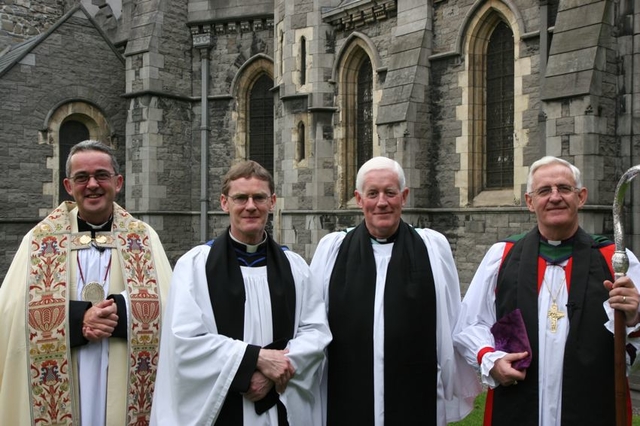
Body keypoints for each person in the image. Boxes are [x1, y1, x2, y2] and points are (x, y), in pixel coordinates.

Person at [453, 155, 640, 426]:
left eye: (564, 188)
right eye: (544, 190)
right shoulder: (502, 257)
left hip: (592, 405)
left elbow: (631, 343)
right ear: (530, 202)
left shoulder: (616, 261)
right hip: (517, 406)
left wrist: (634, 317)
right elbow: (470, 324)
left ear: (581, 197)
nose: (555, 197)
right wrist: (490, 360)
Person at [0, 140, 172, 426]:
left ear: (118, 182)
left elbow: (170, 306)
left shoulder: (143, 238)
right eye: (82, 177)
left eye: (101, 175)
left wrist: (120, 312)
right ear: (69, 186)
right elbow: (9, 312)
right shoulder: (39, 240)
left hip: (128, 376)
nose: (92, 184)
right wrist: (78, 319)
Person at [151, 160, 332, 426]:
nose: (250, 206)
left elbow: (316, 332)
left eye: (259, 197)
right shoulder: (195, 266)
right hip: (221, 408)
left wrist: (273, 372)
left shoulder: (295, 267)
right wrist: (254, 359)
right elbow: (184, 341)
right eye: (240, 198)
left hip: (278, 403)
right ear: (224, 203)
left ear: (272, 202)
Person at [310, 156, 481, 425]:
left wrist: (451, 381)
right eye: (372, 194)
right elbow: (314, 324)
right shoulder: (332, 250)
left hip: (416, 394)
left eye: (390, 193)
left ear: (404, 196)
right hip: (346, 394)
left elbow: (450, 320)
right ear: (358, 198)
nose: (382, 202)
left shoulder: (432, 248)